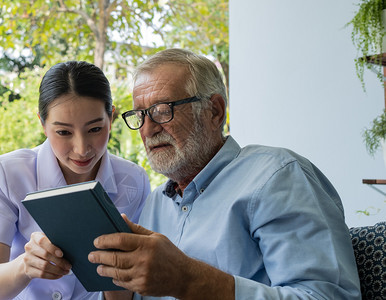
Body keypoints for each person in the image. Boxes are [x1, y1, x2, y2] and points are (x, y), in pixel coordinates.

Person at [87, 48, 361, 299]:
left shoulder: (277, 177)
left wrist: (188, 280)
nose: (147, 130)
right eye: (140, 115)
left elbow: (327, 296)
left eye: (162, 111)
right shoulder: (156, 202)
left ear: (214, 111)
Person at [0, 61, 151, 300]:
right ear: (43, 124)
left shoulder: (133, 181)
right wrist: (24, 266)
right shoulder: (7, 173)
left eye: (95, 129)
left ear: (110, 118)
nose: (81, 149)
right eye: (64, 132)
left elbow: (125, 294)